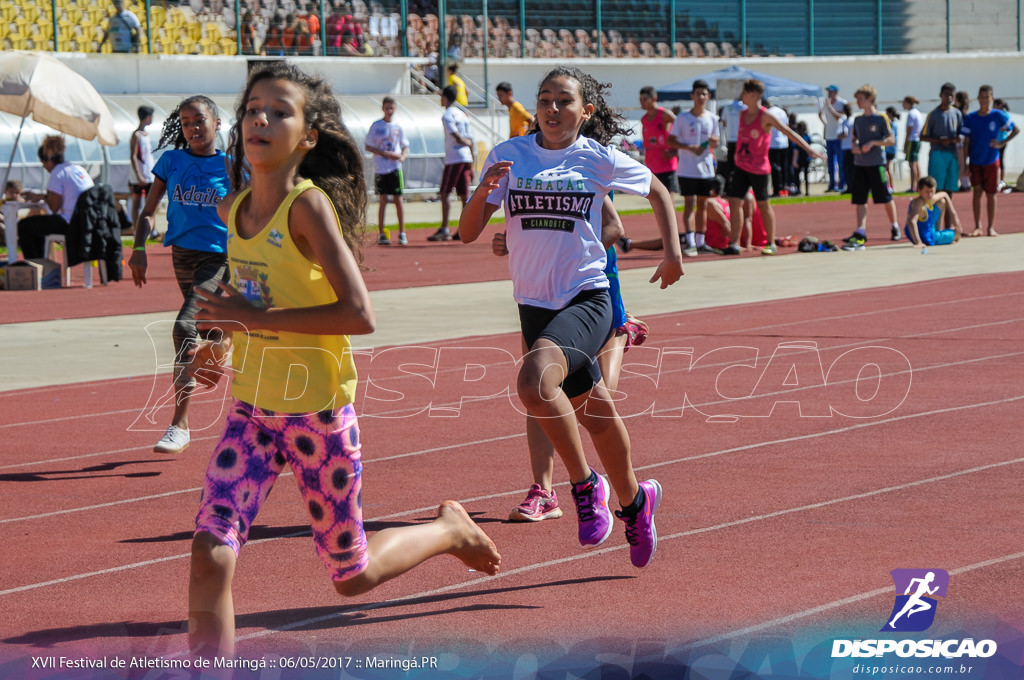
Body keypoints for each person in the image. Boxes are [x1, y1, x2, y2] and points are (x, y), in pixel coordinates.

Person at [185, 63, 500, 660]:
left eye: (280, 110)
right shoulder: (236, 209)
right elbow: (250, 299)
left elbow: (359, 313)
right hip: (251, 413)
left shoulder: (307, 209)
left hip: (317, 418)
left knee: (350, 576)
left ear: (307, 137)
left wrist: (252, 322)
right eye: (254, 107)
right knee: (209, 554)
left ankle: (448, 529)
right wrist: (220, 342)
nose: (261, 117)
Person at [458, 66, 684, 568]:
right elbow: (467, 232)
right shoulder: (509, 155)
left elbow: (658, 192)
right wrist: (482, 193)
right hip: (534, 305)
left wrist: (671, 253)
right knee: (595, 413)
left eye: (564, 101)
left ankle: (584, 487)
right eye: (545, 99)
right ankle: (635, 503)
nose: (553, 109)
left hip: (587, 299)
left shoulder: (598, 158)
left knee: (534, 383)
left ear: (586, 112)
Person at [128, 95, 230, 455]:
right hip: (182, 256)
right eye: (186, 122)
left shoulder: (233, 165)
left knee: (184, 326)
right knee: (208, 329)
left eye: (199, 120)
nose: (192, 128)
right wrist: (138, 248)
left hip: (219, 258)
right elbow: (149, 210)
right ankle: (222, 342)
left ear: (217, 123)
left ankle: (179, 425)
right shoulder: (171, 161)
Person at [724, 79, 822, 256]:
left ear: (753, 95)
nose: (741, 97)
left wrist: (808, 149)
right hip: (741, 166)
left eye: (744, 93)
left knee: (763, 204)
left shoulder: (766, 116)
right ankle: (734, 243)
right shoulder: (742, 114)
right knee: (734, 201)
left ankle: (770, 243)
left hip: (759, 168)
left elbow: (788, 132)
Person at [840, 84, 901, 250]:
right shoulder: (858, 120)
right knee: (860, 199)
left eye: (861, 99)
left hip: (877, 164)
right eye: (857, 99)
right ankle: (860, 231)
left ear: (870, 99)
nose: (858, 102)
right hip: (860, 164)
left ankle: (894, 225)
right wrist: (855, 146)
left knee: (885, 196)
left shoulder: (881, 118)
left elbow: (891, 140)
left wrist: (873, 143)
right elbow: (854, 138)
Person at [16, 135, 95, 260]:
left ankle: (35, 264)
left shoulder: (57, 173)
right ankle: (41, 263)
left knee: (24, 226)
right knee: (38, 225)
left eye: (43, 163)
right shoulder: (78, 169)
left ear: (48, 160)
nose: (43, 167)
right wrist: (42, 196)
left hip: (70, 223)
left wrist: (42, 197)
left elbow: (54, 208)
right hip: (88, 221)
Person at [667, 79, 718, 256]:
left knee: (703, 205)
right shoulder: (682, 118)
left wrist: (711, 142)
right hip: (687, 169)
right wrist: (688, 147)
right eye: (698, 94)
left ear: (708, 96)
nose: (701, 97)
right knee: (689, 204)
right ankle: (690, 242)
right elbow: (671, 140)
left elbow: (717, 141)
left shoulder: (712, 118)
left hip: (706, 169)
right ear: (692, 96)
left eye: (704, 94)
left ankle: (700, 241)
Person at [962, 84, 1018, 237]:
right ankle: (977, 226)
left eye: (987, 97)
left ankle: (991, 227)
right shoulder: (971, 118)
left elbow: (1016, 129)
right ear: (978, 98)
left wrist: (1001, 143)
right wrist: (965, 163)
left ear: (991, 98)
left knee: (991, 194)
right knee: (977, 192)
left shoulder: (998, 115)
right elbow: (966, 142)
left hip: (992, 161)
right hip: (975, 160)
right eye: (982, 97)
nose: (984, 100)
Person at [428, 85, 473, 242]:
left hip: (454, 158)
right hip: (465, 157)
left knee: (445, 192)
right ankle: (465, 228)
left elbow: (457, 136)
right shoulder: (462, 114)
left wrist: (464, 143)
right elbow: (470, 139)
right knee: (463, 194)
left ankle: (445, 228)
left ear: (446, 98)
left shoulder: (448, 115)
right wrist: (472, 161)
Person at [364, 96, 410, 245]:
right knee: (383, 199)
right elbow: (368, 146)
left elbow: (404, 145)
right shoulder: (376, 126)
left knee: (398, 199)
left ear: (395, 109)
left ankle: (402, 233)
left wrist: (402, 156)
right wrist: (385, 154)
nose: (389, 111)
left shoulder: (398, 126)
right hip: (381, 168)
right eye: (387, 108)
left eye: (392, 108)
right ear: (383, 109)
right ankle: (382, 233)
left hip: (395, 168)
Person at [921, 83, 962, 196]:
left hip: (952, 154)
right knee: (936, 188)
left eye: (951, 95)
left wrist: (958, 139)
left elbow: (960, 133)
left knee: (950, 187)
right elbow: (922, 136)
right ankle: (937, 213)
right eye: (946, 94)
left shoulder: (957, 113)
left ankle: (948, 212)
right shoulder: (934, 115)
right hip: (937, 153)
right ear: (941, 95)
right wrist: (939, 140)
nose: (948, 97)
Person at [639, 85, 678, 195]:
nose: (642, 102)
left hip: (666, 163)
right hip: (652, 164)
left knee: (668, 196)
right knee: (655, 196)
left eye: (645, 99)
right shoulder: (644, 119)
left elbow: (681, 128)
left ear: (654, 99)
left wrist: (675, 151)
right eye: (640, 99)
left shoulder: (665, 114)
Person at [904, 176, 961, 246]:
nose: (930, 195)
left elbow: (945, 194)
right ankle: (939, 236)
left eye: (932, 191)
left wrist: (955, 219)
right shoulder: (919, 203)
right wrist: (918, 242)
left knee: (941, 202)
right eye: (927, 192)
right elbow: (912, 222)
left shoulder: (930, 198)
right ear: (919, 190)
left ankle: (938, 230)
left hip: (927, 230)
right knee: (957, 234)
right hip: (928, 237)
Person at [129, 105, 155, 229]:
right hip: (138, 176)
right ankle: (135, 229)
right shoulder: (136, 135)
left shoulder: (147, 134)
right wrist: (138, 174)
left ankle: (151, 229)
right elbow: (133, 156)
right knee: (137, 203)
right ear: (147, 117)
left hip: (149, 174)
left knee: (150, 203)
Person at [820, 85, 847, 192]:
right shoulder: (825, 103)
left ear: (836, 92)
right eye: (828, 92)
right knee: (830, 163)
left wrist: (830, 107)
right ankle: (832, 184)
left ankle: (842, 184)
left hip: (838, 136)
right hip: (829, 136)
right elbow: (820, 113)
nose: (829, 94)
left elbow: (839, 116)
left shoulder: (842, 103)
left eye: (831, 92)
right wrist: (825, 124)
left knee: (840, 162)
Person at [765, 98, 790, 197]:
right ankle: (784, 188)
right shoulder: (782, 112)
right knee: (784, 167)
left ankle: (777, 189)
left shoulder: (768, 113)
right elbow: (787, 125)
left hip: (773, 143)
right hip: (783, 142)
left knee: (775, 168)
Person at [902, 96, 924, 192]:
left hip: (912, 140)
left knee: (912, 165)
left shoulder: (911, 114)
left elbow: (909, 130)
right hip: (917, 140)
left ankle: (913, 186)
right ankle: (919, 185)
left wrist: (905, 143)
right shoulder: (918, 113)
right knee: (916, 163)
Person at [884, 106, 900, 189]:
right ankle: (889, 185)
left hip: (890, 149)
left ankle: (890, 186)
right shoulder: (893, 124)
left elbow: (890, 135)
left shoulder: (892, 125)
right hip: (890, 149)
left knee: (887, 168)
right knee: (887, 168)